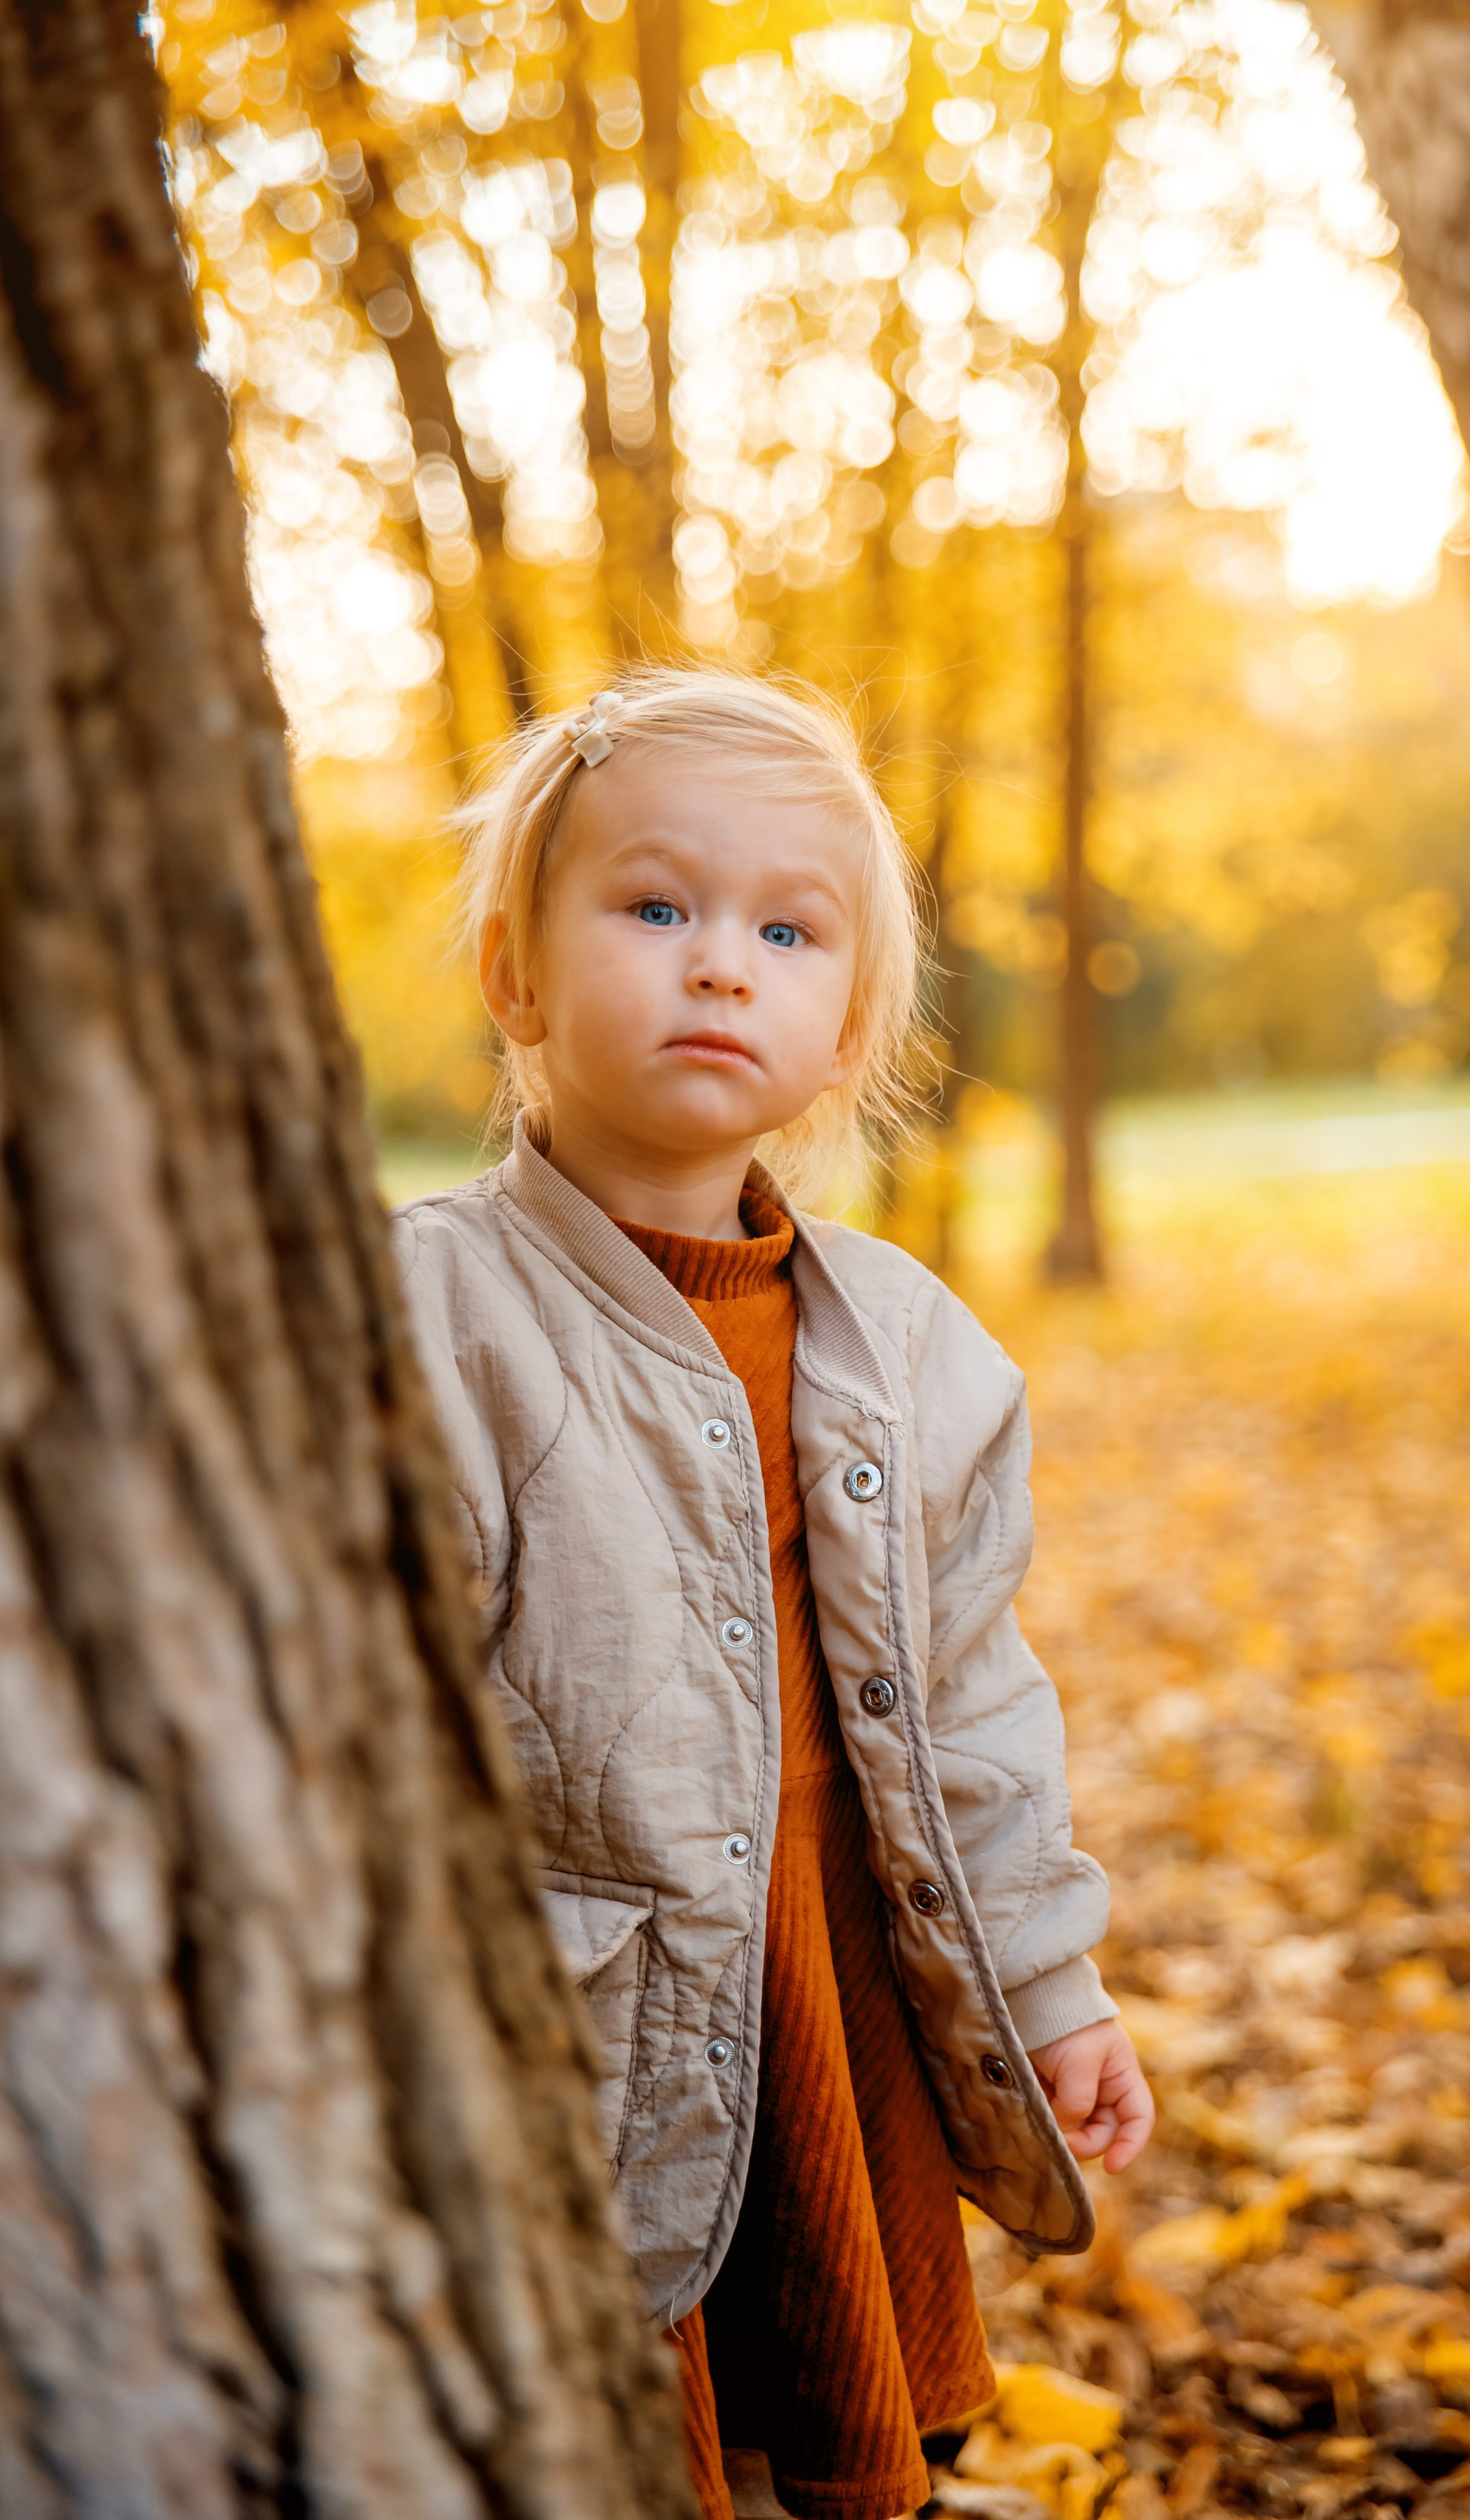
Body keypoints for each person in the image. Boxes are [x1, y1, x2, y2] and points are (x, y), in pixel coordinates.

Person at [393, 667, 1153, 2520]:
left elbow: (974, 1692)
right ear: (514, 974)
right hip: (581, 2021)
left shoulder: (914, 1349)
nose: (720, 962)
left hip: (835, 1991)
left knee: (815, 2422)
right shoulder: (432, 1312)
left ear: (850, 1023)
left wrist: (1049, 1979)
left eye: (785, 929)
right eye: (654, 905)